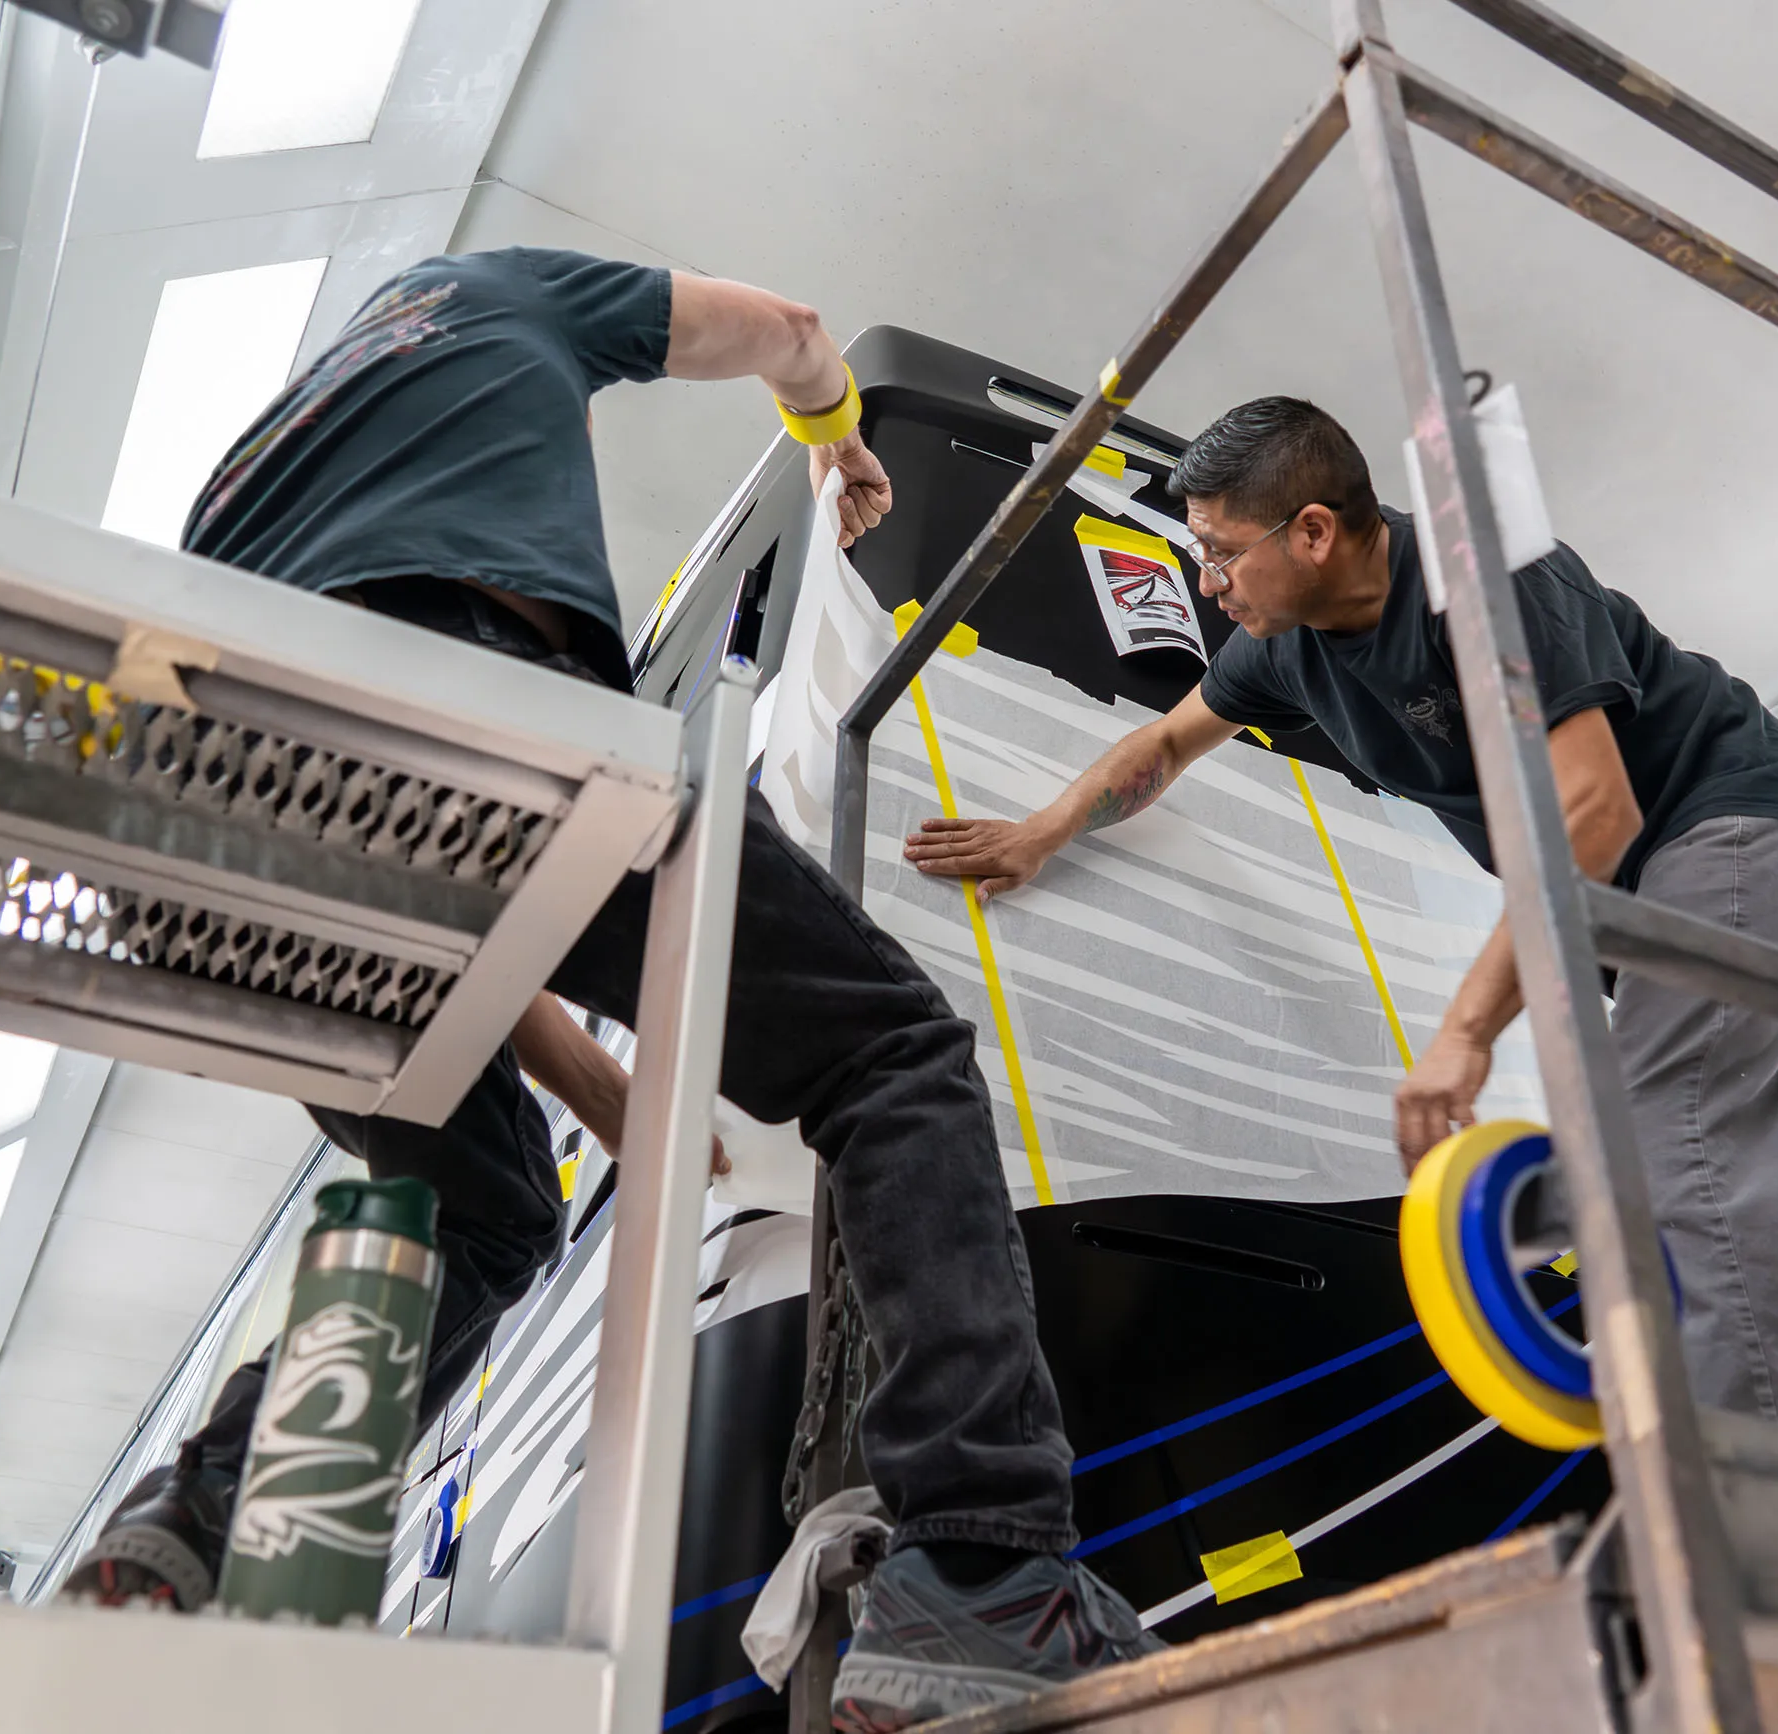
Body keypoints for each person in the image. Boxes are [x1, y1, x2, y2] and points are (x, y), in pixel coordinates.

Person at [60, 249, 1157, 1729]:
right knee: (890, 1058)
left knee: (484, 1210)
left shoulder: (247, 478)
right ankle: (987, 1563)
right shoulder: (505, 293)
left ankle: (190, 1523)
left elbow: (430, 877)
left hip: (217, 842)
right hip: (475, 710)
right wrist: (834, 442)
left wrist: (607, 1089)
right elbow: (791, 331)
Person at [905, 395, 1778, 1468]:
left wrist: (1464, 1033)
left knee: (1692, 1154)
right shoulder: (1283, 652)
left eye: (1220, 553)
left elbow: (1591, 816)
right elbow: (1157, 746)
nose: (1208, 580)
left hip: (1732, 834)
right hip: (1662, 905)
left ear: (1311, 532)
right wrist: (1043, 830)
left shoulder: (1492, 585)